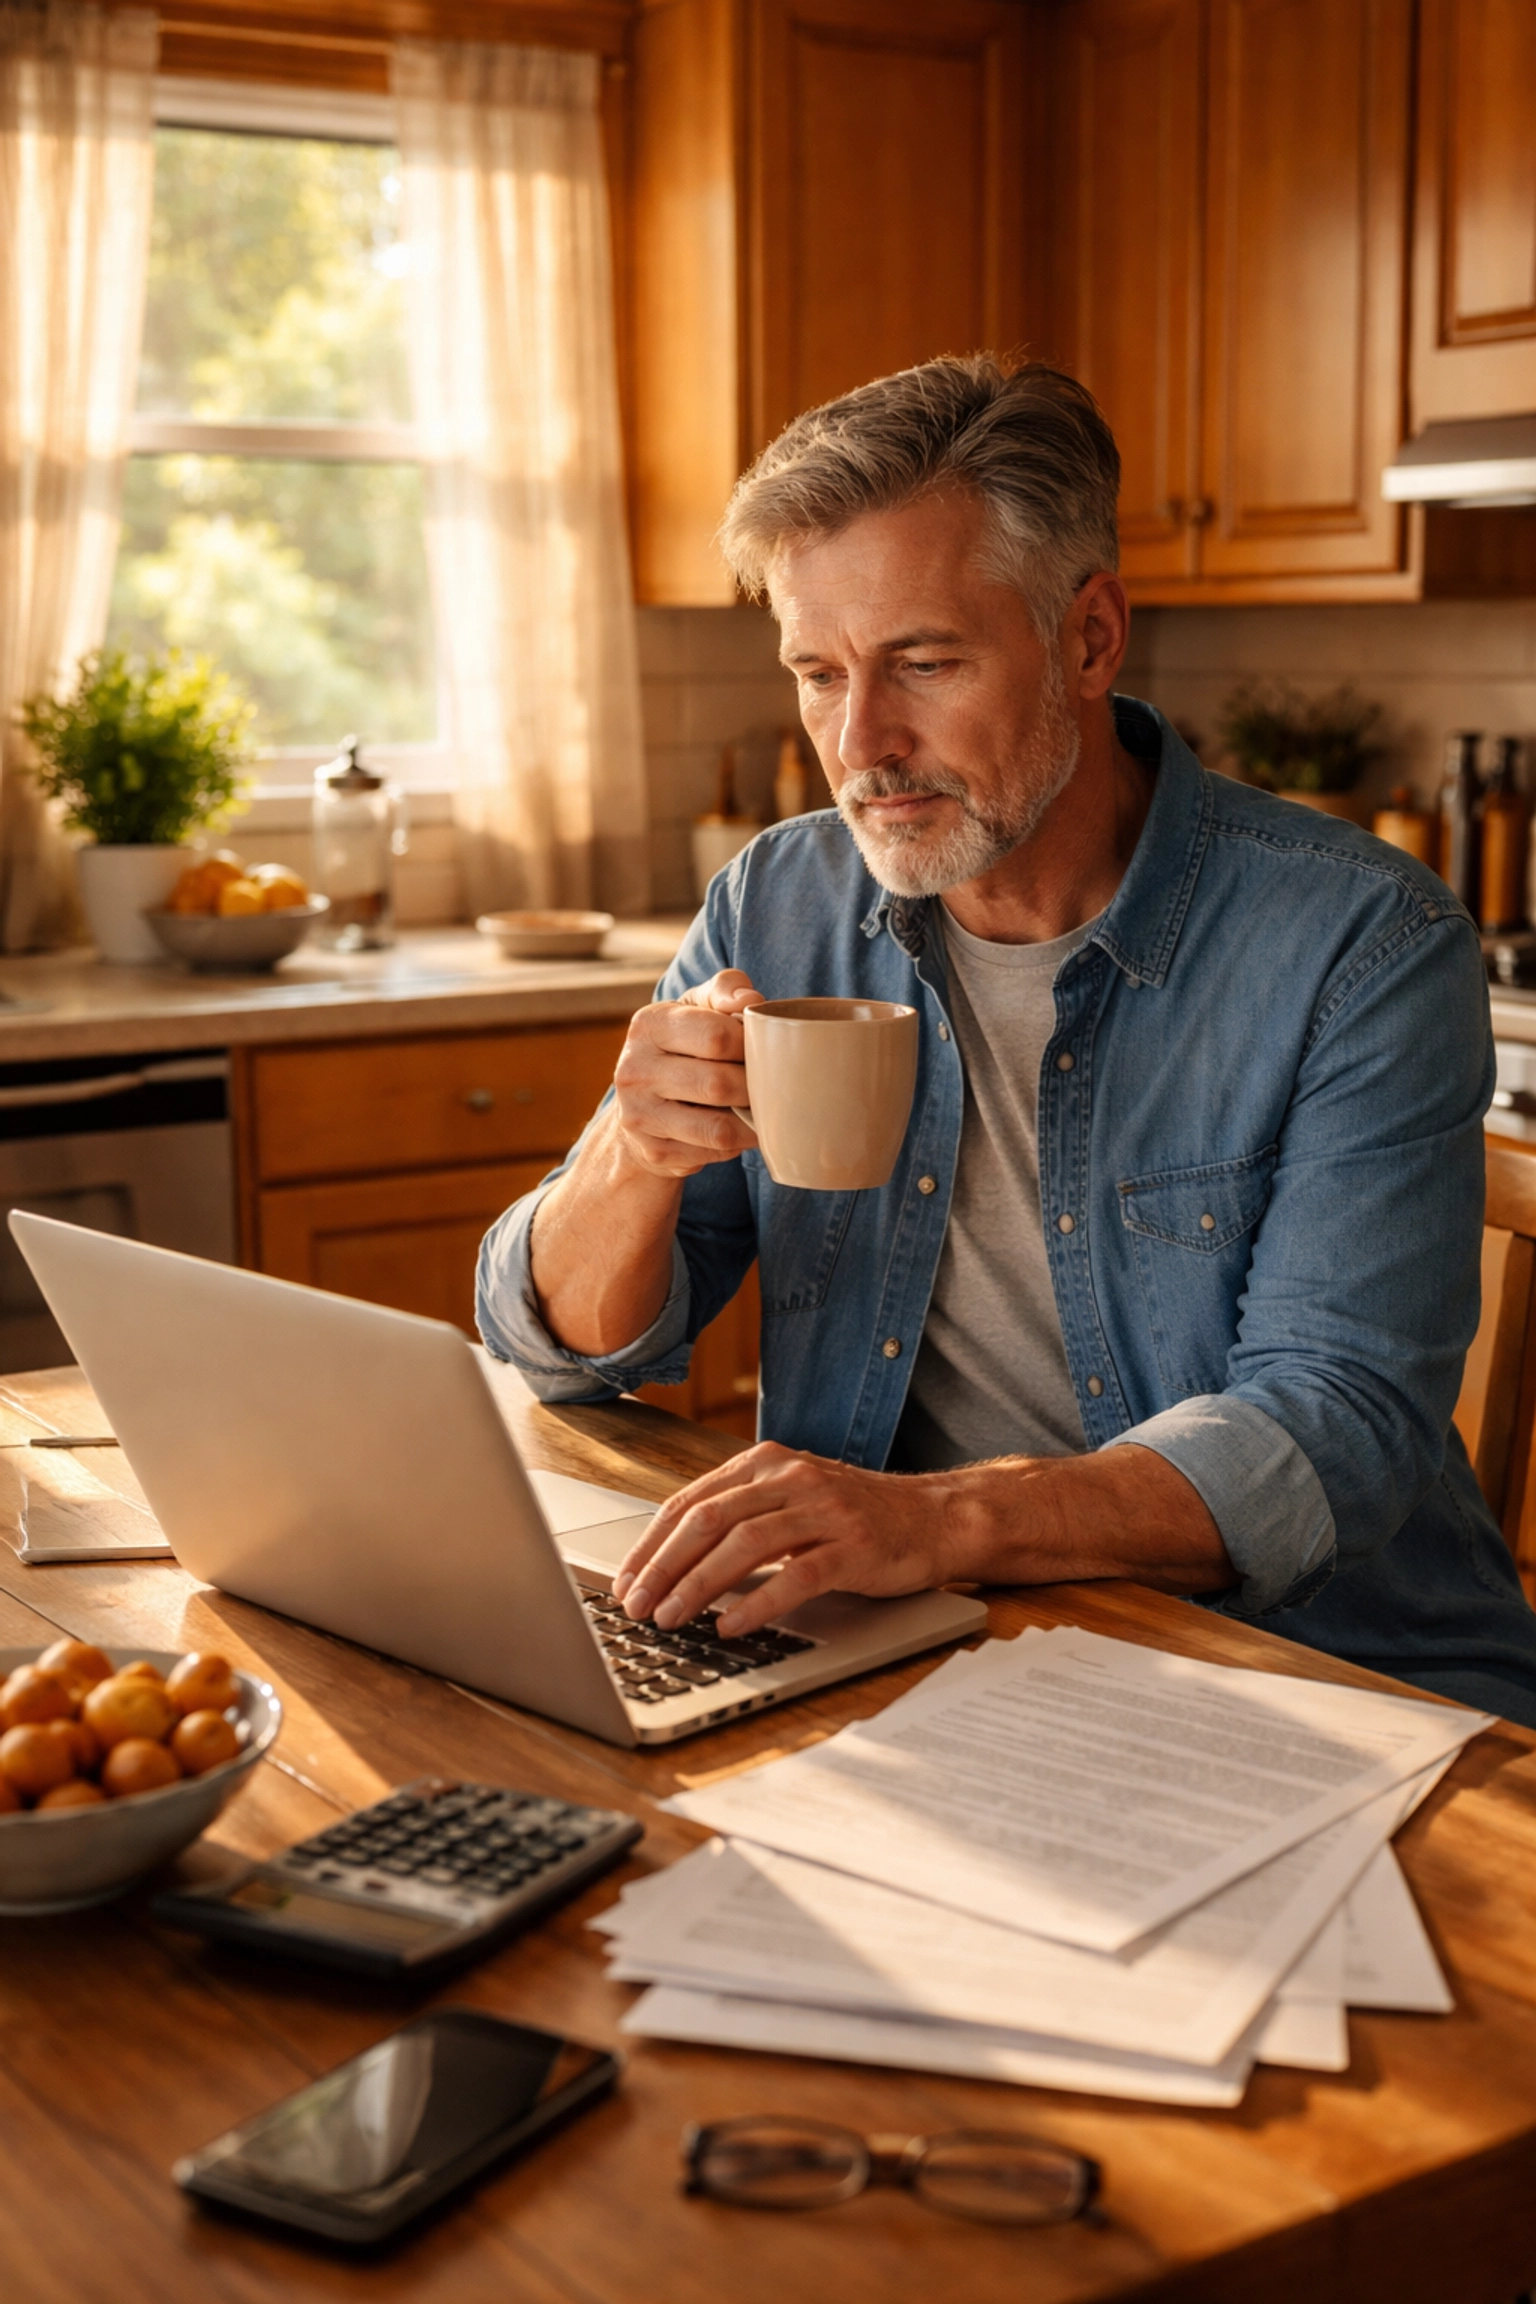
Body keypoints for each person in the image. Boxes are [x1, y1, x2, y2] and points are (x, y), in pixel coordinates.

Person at [478, 355, 1536, 1728]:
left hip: (1325, 1679)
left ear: (1090, 638)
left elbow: (1336, 1428)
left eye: (924, 662)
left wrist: (941, 1523)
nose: (862, 743)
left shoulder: (1359, 940)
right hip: (926, 1657)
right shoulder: (782, 900)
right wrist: (628, 1153)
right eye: (819, 672)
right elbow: (564, 1353)